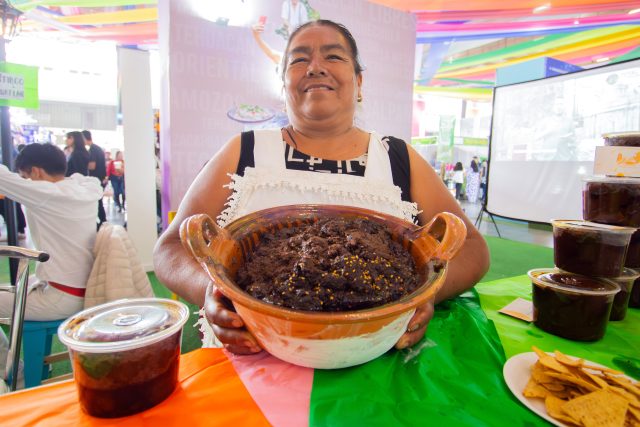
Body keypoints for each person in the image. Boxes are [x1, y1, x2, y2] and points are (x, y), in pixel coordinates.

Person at [153, 20, 489, 355]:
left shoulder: (398, 158)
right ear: (283, 83)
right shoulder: (243, 151)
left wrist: (423, 295)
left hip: (376, 367)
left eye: (333, 57)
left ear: (359, 81)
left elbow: (472, 248)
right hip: (252, 366)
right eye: (299, 60)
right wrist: (212, 291)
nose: (315, 67)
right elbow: (171, 248)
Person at [0, 143, 102, 384]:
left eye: (25, 177)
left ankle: (16, 373)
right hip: (85, 290)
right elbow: (81, 176)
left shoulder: (47, 194)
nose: (25, 182)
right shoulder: (84, 186)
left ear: (36, 172)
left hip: (61, 296)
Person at [82, 130, 108, 226]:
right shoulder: (97, 148)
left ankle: (103, 222)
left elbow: (92, 166)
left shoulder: (93, 149)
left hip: (96, 180)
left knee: (97, 202)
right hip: (99, 179)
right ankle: (103, 222)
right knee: (98, 202)